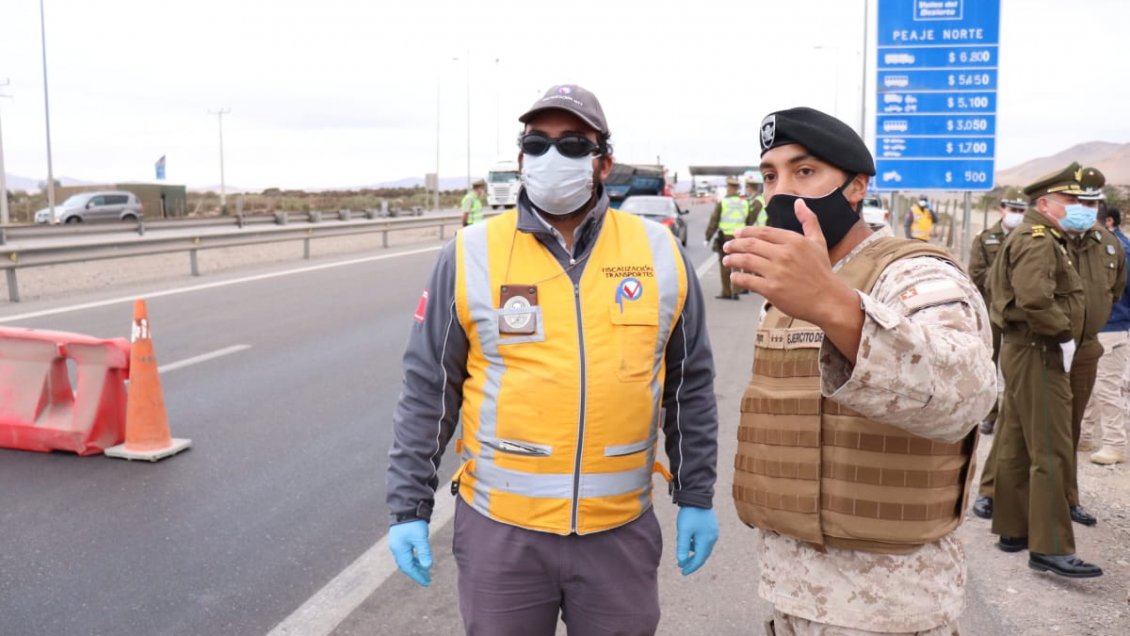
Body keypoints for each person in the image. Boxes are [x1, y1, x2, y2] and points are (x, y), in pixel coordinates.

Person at [385, 83, 720, 636]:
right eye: (537, 144)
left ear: (602, 163)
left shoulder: (659, 252)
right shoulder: (471, 253)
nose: (550, 157)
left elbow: (690, 386)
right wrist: (407, 508)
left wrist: (696, 494)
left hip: (619, 534)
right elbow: (428, 388)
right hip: (502, 536)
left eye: (571, 146)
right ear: (520, 159)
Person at [724, 106, 995, 635]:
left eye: (805, 172)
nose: (782, 192)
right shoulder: (788, 284)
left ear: (856, 186)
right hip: (791, 591)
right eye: (770, 175)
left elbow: (966, 397)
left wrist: (835, 305)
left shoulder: (914, 274)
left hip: (887, 605)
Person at [987, 162, 1103, 578]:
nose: (1080, 207)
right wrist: (1064, 335)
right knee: (1052, 447)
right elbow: (1035, 298)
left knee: (1018, 442)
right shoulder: (1039, 239)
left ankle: (1014, 529)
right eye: (1071, 200)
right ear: (1045, 203)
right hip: (1040, 349)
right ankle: (1051, 547)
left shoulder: (1044, 236)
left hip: (1025, 349)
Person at [1059, 166, 1125, 525]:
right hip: (1051, 346)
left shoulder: (1112, 245)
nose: (1083, 206)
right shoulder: (1051, 239)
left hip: (1095, 340)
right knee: (1033, 428)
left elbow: (1115, 290)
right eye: (1077, 200)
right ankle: (1005, 498)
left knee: (1076, 422)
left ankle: (1067, 498)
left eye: (1090, 201)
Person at [969, 187, 1028, 436]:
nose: (1016, 214)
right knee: (989, 364)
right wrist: (1007, 279)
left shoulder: (1031, 239)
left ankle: (1014, 418)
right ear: (1002, 209)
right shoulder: (985, 239)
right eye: (1012, 209)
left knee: (1018, 365)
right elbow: (976, 274)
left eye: (1020, 210)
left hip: (1021, 310)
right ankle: (990, 415)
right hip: (992, 309)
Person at [1081, 205, 1130, 465]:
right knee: (1089, 385)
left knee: (1107, 388)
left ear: (1108, 222)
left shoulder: (1120, 248)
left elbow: (1120, 289)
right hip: (1101, 327)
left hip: (1113, 326)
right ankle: (1085, 435)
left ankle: (1115, 444)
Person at [705, 176, 754, 299]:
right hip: (740, 238)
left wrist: (708, 237)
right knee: (737, 264)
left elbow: (714, 221)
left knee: (725, 265)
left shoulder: (723, 202)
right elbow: (750, 220)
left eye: (728, 187)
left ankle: (726, 292)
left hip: (726, 237)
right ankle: (736, 291)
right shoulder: (745, 203)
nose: (727, 189)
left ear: (731, 188)